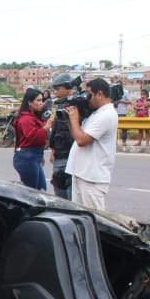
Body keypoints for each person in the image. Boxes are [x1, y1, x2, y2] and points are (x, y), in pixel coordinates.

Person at [65, 78, 118, 210]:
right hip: (82, 173)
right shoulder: (95, 114)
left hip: (92, 177)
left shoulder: (106, 115)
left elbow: (82, 140)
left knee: (95, 220)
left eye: (89, 94)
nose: (86, 99)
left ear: (99, 94)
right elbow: (77, 136)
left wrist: (74, 119)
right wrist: (70, 120)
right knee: (80, 218)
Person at [12, 88, 53, 190]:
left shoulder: (34, 116)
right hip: (26, 158)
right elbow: (33, 137)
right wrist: (47, 126)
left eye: (42, 100)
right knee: (32, 191)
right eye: (38, 100)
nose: (41, 103)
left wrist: (40, 155)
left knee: (41, 189)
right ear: (30, 102)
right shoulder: (26, 118)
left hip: (34, 156)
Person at [48, 73, 77, 200]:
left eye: (58, 89)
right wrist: (53, 149)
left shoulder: (77, 105)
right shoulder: (59, 105)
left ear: (68, 88)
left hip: (72, 155)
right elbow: (56, 129)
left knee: (71, 196)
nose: (55, 92)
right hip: (59, 154)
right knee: (59, 195)